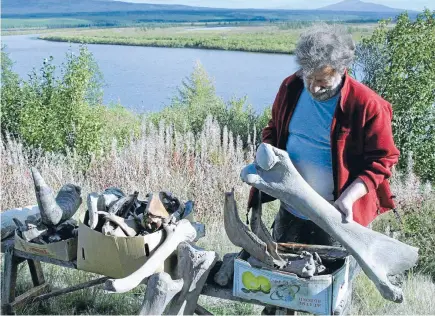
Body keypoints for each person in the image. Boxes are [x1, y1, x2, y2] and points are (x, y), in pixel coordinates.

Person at [247, 24, 400, 247]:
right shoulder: (291, 87)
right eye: (309, 78)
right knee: (283, 274)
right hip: (290, 209)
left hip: (336, 216)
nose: (314, 89)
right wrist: (265, 158)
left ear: (342, 69)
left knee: (332, 278)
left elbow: (383, 160)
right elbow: (273, 129)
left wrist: (348, 198)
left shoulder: (367, 105)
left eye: (322, 82)